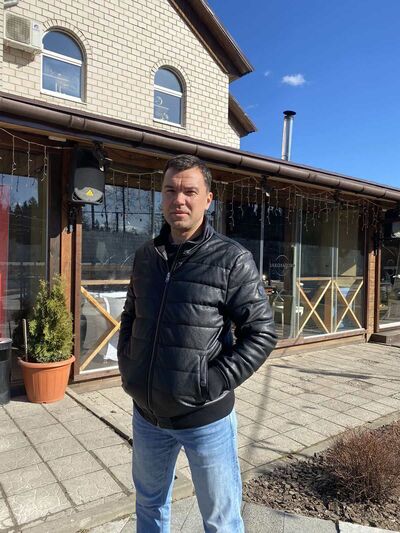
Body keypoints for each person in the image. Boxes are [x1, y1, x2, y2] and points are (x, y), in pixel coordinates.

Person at [117, 154, 277, 533]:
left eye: (190, 191)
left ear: (208, 199)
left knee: (221, 521)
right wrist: (129, 365)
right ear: (161, 196)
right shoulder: (146, 256)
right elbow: (131, 315)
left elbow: (262, 332)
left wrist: (213, 382)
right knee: (149, 507)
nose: (179, 199)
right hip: (147, 417)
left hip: (206, 420)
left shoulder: (232, 259)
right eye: (170, 190)